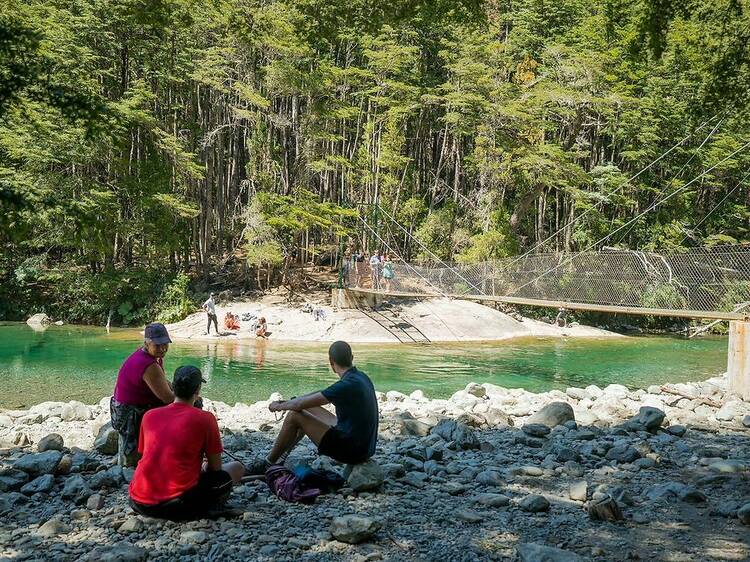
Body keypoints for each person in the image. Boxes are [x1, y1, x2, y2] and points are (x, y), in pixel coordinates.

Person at [128, 366, 245, 521]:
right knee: (237, 468)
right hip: (177, 505)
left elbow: (146, 455)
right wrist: (203, 466)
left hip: (138, 501)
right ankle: (209, 508)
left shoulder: (149, 415)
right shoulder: (205, 418)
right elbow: (215, 469)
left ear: (173, 387)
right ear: (197, 390)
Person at [264, 341, 378, 467]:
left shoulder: (346, 385)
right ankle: (283, 455)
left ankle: (269, 462)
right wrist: (291, 401)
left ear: (331, 362)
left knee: (294, 416)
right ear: (352, 358)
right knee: (307, 407)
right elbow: (321, 393)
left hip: (352, 451)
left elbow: (298, 406)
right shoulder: (361, 377)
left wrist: (278, 406)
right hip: (365, 446)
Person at [110, 323, 175, 467]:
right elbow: (168, 398)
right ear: (146, 343)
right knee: (187, 405)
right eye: (158, 345)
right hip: (130, 415)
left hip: (123, 409)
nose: (163, 349)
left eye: (165, 344)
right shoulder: (148, 365)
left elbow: (163, 381)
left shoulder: (148, 356)